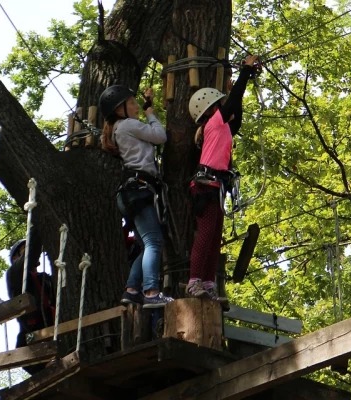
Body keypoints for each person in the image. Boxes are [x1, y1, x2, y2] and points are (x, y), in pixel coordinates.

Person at [186, 54, 260, 306]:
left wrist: (238, 84)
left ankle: (207, 282)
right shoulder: (213, 124)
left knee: (214, 238)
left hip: (215, 187)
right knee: (205, 236)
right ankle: (195, 280)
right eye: (220, 104)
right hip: (206, 187)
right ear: (211, 109)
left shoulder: (223, 127)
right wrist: (245, 72)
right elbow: (233, 103)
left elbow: (235, 114)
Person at [99, 85, 173, 309]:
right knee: (154, 242)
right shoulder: (129, 125)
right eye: (131, 103)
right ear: (120, 109)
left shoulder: (119, 128)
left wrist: (148, 103)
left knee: (145, 244)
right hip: (139, 190)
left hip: (131, 193)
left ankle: (132, 290)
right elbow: (160, 136)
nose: (136, 107)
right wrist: (151, 114)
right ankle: (151, 292)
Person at [6, 230, 55, 375]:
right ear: (16, 257)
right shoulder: (14, 273)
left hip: (55, 332)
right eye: (23, 249)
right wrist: (37, 221)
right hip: (33, 341)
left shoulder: (45, 278)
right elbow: (32, 251)